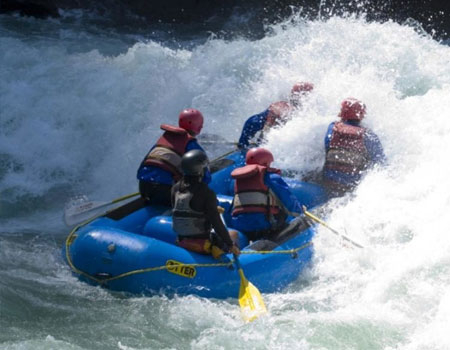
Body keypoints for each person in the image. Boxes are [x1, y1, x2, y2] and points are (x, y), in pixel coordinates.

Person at [172, 150, 240, 257]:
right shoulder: (206, 192)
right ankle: (231, 265)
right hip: (203, 243)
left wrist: (209, 210)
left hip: (181, 240)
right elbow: (217, 223)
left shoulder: (175, 188)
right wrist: (230, 244)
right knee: (234, 234)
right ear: (200, 170)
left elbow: (184, 212)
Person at [137, 108, 211, 206]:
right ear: (199, 127)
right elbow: (206, 179)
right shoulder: (192, 145)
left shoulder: (164, 139)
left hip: (143, 187)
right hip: (164, 191)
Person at [230, 148, 303, 241]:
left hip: (240, 227)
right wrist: (301, 214)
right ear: (265, 163)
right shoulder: (272, 178)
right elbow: (289, 202)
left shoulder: (239, 180)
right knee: (282, 212)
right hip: (264, 227)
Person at [322, 97, 386, 197]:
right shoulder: (369, 136)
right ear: (361, 115)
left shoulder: (332, 128)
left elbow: (327, 147)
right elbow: (381, 164)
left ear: (342, 112)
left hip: (328, 183)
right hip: (350, 189)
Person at [237, 82, 314, 149]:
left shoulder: (298, 110)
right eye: (307, 95)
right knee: (243, 146)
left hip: (259, 123)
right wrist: (260, 144)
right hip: (253, 123)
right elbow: (267, 128)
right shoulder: (282, 106)